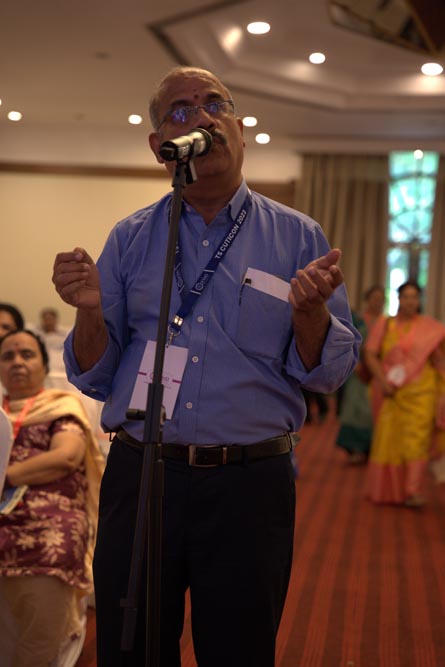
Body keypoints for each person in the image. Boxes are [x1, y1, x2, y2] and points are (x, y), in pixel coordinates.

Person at [52, 66, 360, 667]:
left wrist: (310, 316)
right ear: (160, 146)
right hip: (142, 475)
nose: (203, 118)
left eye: (215, 104)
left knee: (239, 650)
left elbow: (328, 375)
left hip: (248, 484)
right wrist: (89, 312)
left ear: (240, 130)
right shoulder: (130, 238)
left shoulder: (298, 237)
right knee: (131, 648)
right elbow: (94, 375)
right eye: (181, 110)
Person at [0, 330, 104, 667]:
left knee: (55, 544)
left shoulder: (61, 407)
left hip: (46, 521)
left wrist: (6, 477)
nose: (17, 362)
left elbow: (66, 457)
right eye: (7, 356)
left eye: (27, 354)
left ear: (44, 365)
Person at [364, 281, 445, 507]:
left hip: (422, 392)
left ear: (420, 301)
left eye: (414, 297)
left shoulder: (430, 330)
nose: (410, 301)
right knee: (389, 440)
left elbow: (438, 361)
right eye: (406, 297)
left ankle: (413, 490)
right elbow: (370, 354)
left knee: (416, 441)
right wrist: (382, 381)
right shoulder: (385, 324)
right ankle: (390, 491)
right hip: (391, 392)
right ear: (398, 299)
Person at [335, 285, 385, 463]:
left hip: (378, 372)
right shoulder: (357, 319)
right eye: (374, 298)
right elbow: (347, 342)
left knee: (373, 411)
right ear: (367, 299)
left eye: (381, 299)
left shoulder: (387, 322)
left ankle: (370, 449)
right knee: (355, 409)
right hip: (358, 371)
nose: (377, 302)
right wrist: (355, 364)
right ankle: (354, 449)